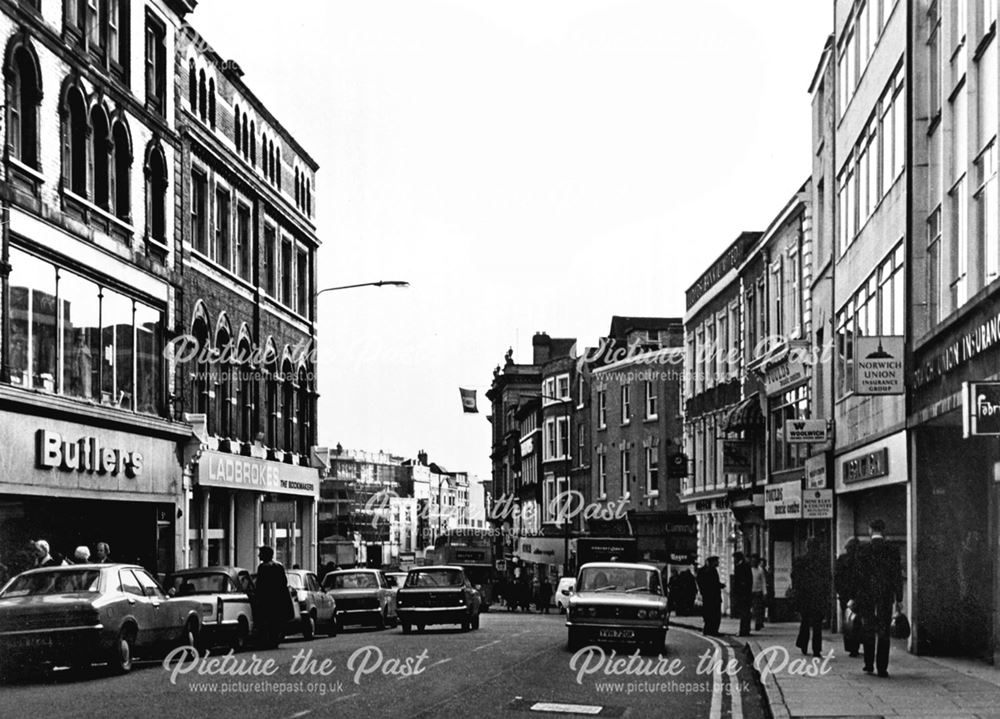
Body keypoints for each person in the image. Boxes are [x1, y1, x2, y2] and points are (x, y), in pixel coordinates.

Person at [851, 519, 903, 678]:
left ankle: (868, 664)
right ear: (884, 530)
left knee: (868, 629)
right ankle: (882, 667)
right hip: (886, 595)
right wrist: (899, 598)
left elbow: (857, 576)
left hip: (867, 596)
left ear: (870, 530)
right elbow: (897, 575)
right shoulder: (892, 550)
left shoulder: (863, 549)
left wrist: (854, 597)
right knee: (884, 630)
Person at [791, 537, 830, 658]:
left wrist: (797, 591)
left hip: (804, 596)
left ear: (807, 547)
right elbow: (827, 578)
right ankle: (816, 650)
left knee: (805, 621)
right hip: (818, 596)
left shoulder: (800, 560)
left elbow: (794, 577)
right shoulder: (823, 561)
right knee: (817, 624)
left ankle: (803, 644)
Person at [254, 545, 292, 649]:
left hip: (266, 600)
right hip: (278, 599)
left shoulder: (263, 567)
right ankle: (274, 639)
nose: (258, 555)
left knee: (266, 620)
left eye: (260, 553)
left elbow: (260, 585)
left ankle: (268, 640)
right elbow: (284, 582)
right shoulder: (279, 566)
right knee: (275, 621)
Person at [834, 538, 861, 657]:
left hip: (845, 595)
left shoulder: (842, 559)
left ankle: (850, 647)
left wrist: (839, 591)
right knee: (858, 621)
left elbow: (836, 577)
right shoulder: (860, 559)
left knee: (848, 622)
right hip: (858, 595)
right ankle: (858, 644)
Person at [696, 556, 725, 637]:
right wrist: (720, 585)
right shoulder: (711, 571)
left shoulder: (702, 570)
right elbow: (713, 584)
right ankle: (713, 630)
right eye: (717, 561)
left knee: (708, 614)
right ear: (712, 562)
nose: (718, 563)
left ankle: (708, 630)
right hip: (713, 596)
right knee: (715, 614)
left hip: (707, 596)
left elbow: (700, 582)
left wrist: (703, 591)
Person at [732, 552, 753, 637]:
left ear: (738, 558)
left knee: (744, 613)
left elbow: (741, 581)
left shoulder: (741, 567)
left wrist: (737, 592)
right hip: (745, 593)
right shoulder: (744, 566)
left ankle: (743, 630)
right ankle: (745, 630)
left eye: (734, 558)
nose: (734, 560)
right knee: (745, 613)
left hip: (743, 594)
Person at [751, 555, 768, 631]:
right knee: (753, 609)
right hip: (750, 592)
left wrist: (765, 592)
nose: (753, 562)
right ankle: (756, 622)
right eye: (753, 561)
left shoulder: (760, 570)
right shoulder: (749, 570)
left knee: (758, 609)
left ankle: (758, 623)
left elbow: (763, 582)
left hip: (758, 592)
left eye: (755, 561)